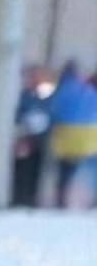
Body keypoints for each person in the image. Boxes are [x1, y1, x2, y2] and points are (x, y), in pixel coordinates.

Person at [45, 60, 97, 209]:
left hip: (67, 134)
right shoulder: (88, 90)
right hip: (90, 134)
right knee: (92, 170)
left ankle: (61, 199)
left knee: (65, 170)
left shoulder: (63, 90)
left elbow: (54, 112)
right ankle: (93, 200)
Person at [14, 62, 55, 207]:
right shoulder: (25, 95)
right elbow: (19, 114)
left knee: (36, 168)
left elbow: (51, 111)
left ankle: (31, 197)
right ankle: (19, 197)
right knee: (22, 168)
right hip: (26, 136)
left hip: (41, 137)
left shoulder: (45, 95)